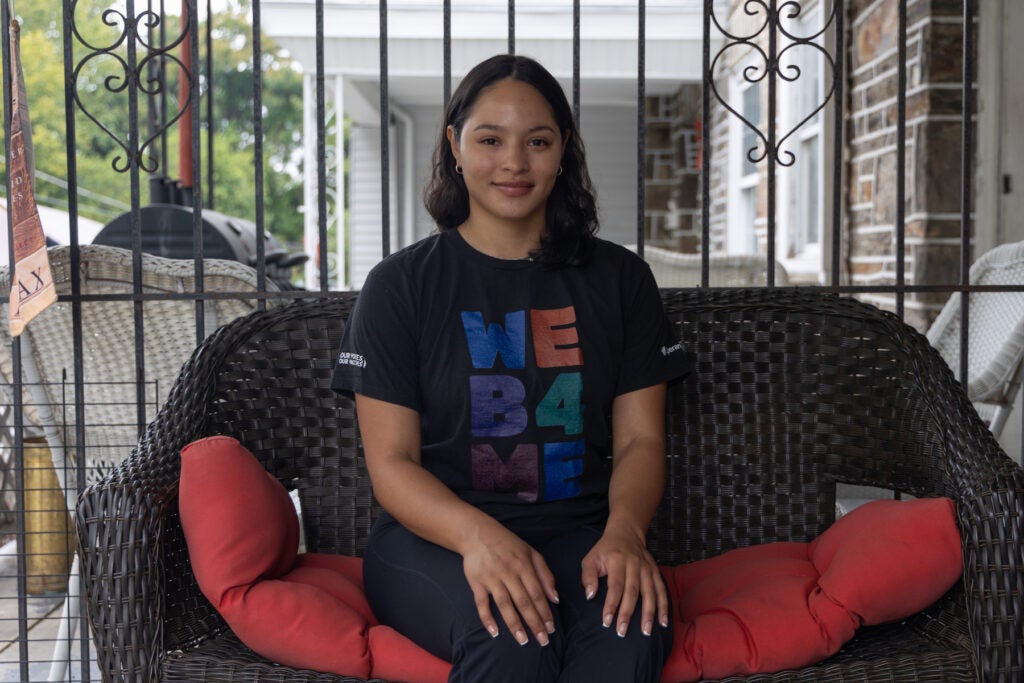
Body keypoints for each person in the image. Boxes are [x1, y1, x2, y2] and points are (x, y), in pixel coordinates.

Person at [331, 53, 689, 683]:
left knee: (632, 634)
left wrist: (626, 534)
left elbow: (641, 439)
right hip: (435, 539)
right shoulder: (400, 286)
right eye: (490, 139)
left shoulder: (620, 279)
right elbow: (391, 464)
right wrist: (477, 538)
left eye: (538, 141)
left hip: (581, 532)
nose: (515, 163)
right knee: (513, 642)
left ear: (565, 149)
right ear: (455, 145)